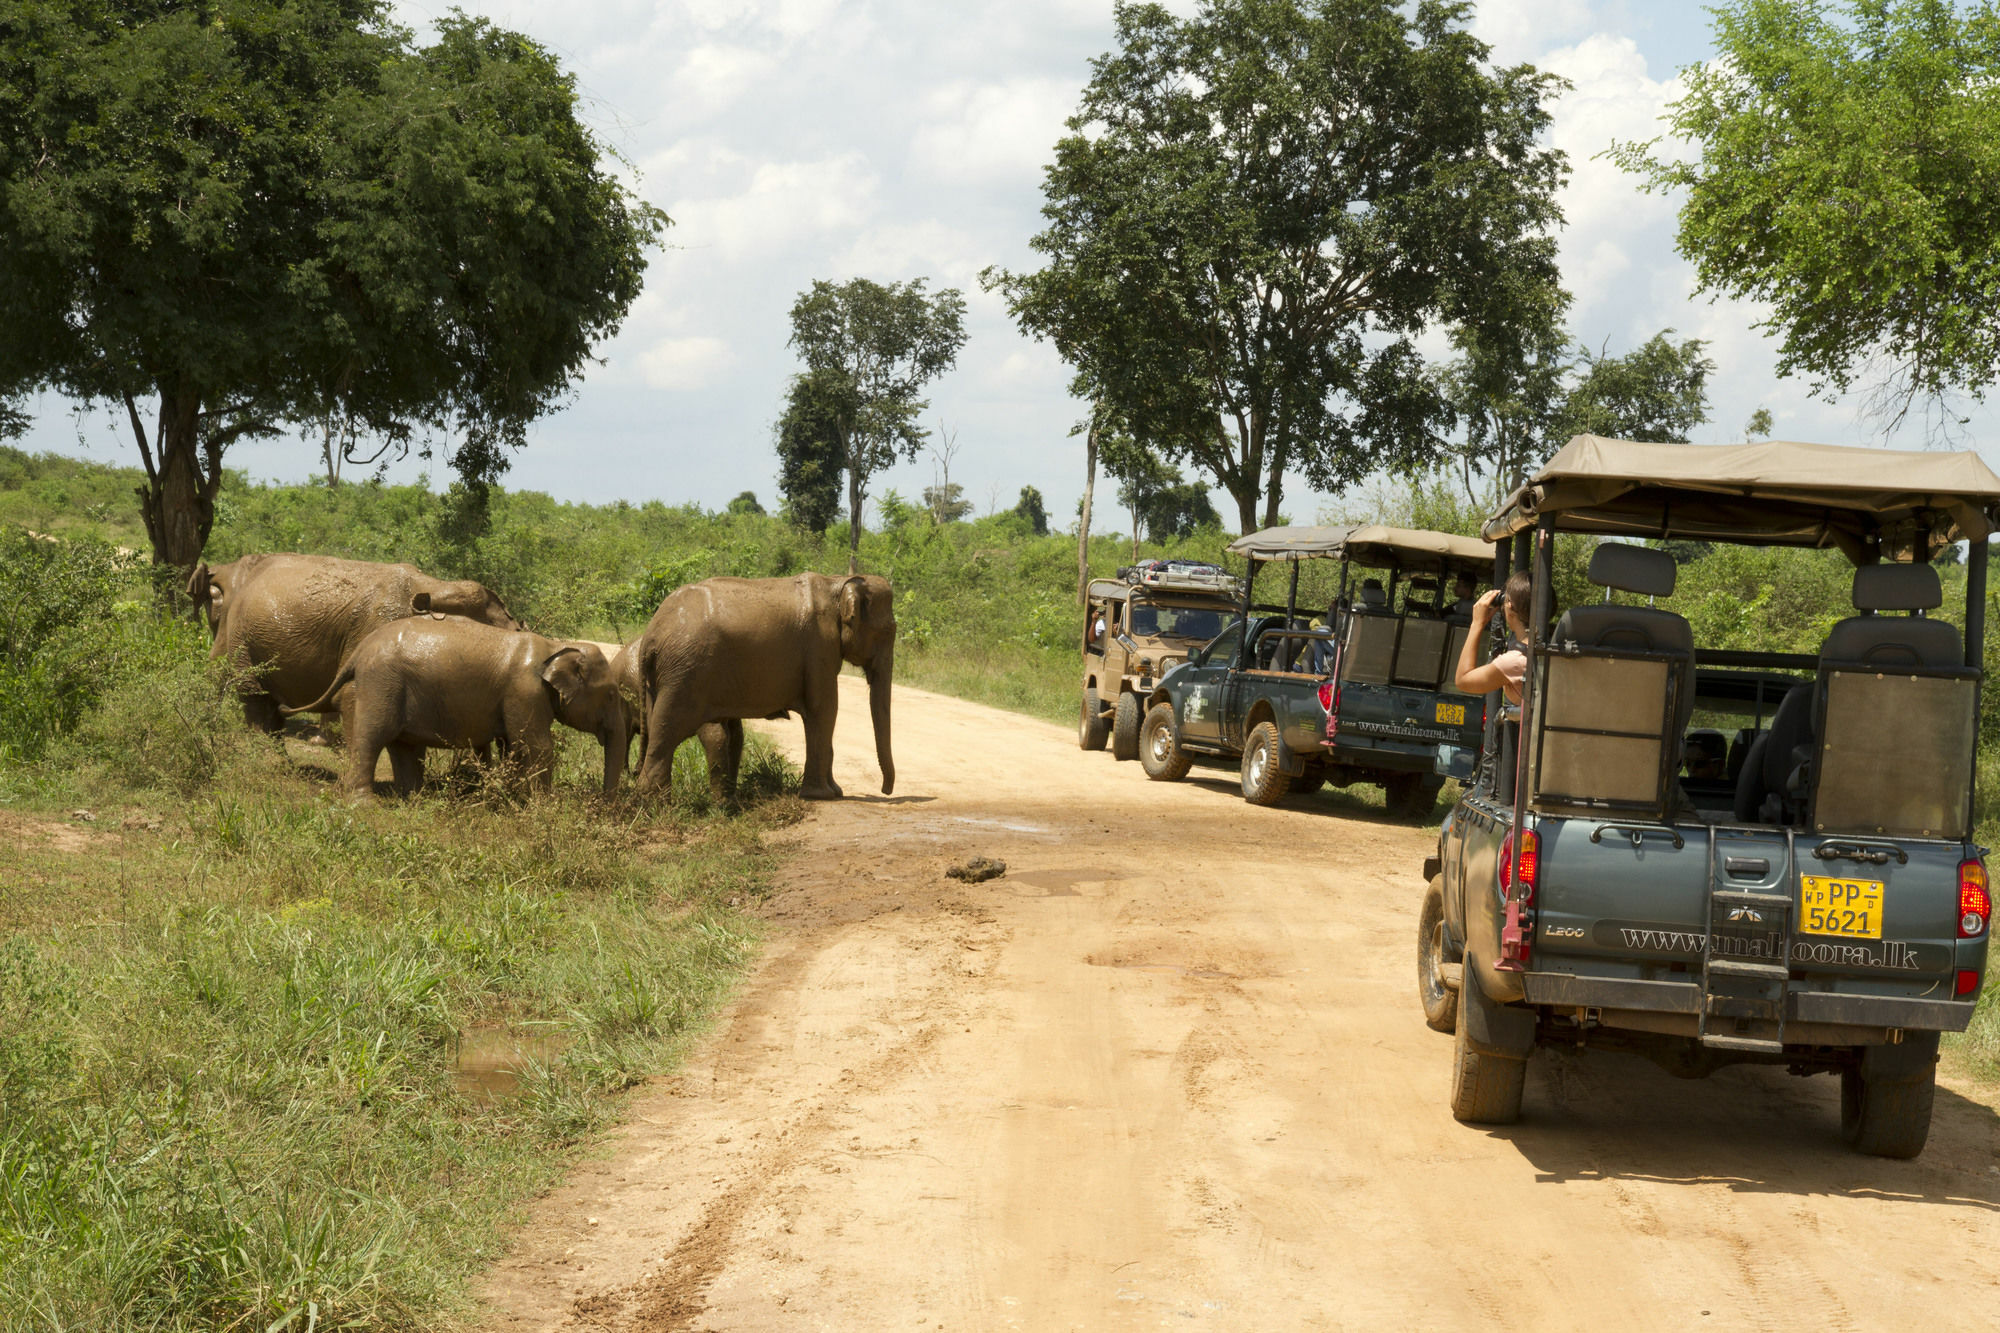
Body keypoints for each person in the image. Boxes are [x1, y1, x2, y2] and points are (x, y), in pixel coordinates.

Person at [1454, 571, 1533, 704]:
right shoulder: (1547, 645)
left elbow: (1463, 681)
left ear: (1510, 606)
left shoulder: (1516, 661)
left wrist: (1477, 624)